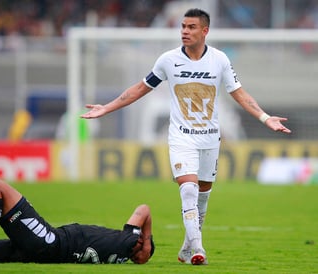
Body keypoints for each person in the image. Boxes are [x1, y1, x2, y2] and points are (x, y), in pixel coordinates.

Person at [80, 8, 291, 265]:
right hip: (181, 137)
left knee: (202, 197)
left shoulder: (220, 60)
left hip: (210, 138)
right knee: (188, 190)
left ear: (205, 31)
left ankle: (186, 246)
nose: (185, 31)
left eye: (191, 27)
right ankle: (198, 248)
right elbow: (139, 89)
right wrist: (107, 107)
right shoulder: (168, 60)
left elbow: (240, 94)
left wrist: (264, 117)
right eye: (183, 26)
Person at [0, 178, 154, 264]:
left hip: (49, 241)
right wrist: (144, 242)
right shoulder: (123, 254)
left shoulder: (128, 243)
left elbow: (144, 209)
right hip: (42, 253)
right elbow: (141, 247)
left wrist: (147, 236)